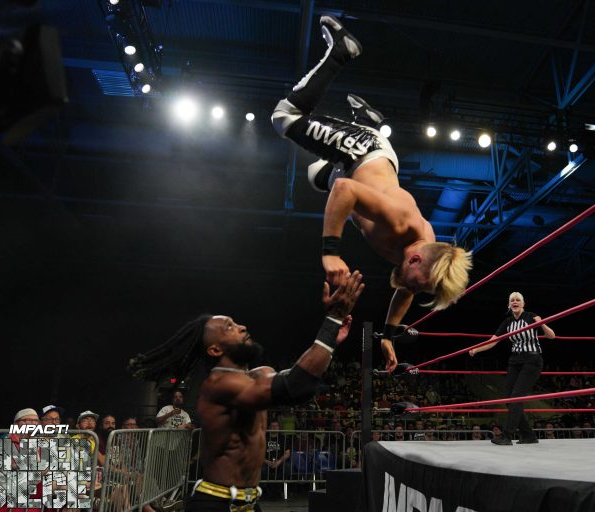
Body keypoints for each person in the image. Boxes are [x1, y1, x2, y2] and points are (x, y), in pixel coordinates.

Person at [270, 16, 472, 372]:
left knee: (316, 177)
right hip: (362, 153)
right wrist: (330, 253)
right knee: (284, 118)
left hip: (366, 167)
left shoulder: (423, 257)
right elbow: (345, 190)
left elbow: (406, 290)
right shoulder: (400, 222)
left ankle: (369, 119)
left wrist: (389, 335)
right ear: (414, 260)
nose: (408, 289)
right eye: (415, 284)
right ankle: (341, 51)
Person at [127, 272, 364, 512]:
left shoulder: (259, 375)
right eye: (229, 327)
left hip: (248, 501)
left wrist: (330, 342)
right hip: (216, 502)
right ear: (215, 349)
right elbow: (296, 384)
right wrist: (332, 321)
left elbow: (300, 382)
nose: (242, 327)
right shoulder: (219, 385)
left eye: (236, 323)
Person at [469, 292, 555, 445]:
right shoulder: (508, 322)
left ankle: (506, 436)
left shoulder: (531, 316)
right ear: (509, 305)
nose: (515, 302)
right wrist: (476, 349)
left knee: (515, 397)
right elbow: (493, 341)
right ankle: (528, 435)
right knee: (509, 398)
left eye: (518, 300)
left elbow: (551, 336)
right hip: (515, 361)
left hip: (532, 360)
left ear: (523, 304)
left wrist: (542, 323)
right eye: (512, 300)